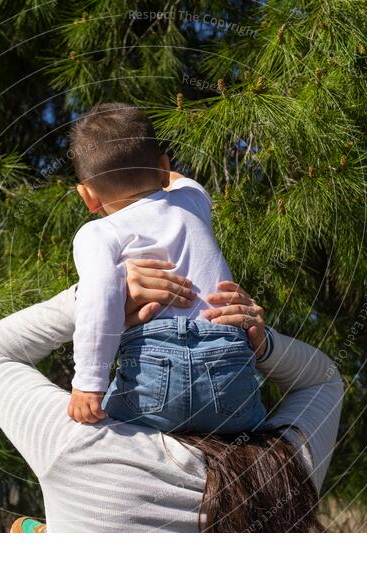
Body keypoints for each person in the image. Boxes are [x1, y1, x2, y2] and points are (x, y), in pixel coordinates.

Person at [0, 260, 344, 532]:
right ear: (238, 366)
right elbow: (323, 381)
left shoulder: (80, 447)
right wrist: (263, 343)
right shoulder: (282, 469)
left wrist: (99, 299)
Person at [68, 102, 265, 434]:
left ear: (87, 197)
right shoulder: (193, 201)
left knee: (105, 429)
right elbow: (180, 181)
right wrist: (155, 169)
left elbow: (97, 297)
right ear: (163, 167)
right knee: (253, 432)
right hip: (227, 356)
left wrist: (89, 382)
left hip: (153, 363)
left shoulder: (97, 233)